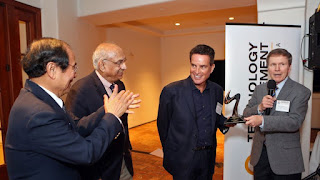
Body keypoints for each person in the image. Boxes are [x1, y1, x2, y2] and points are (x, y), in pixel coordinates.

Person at [5, 38, 139, 180]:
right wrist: (112, 116)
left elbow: (77, 125)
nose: (75, 74)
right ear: (52, 69)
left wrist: (107, 109)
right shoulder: (39, 113)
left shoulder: (40, 99)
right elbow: (86, 153)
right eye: (73, 67)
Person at [157, 44, 231, 180]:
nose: (197, 71)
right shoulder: (171, 91)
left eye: (203, 66)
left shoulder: (217, 91)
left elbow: (217, 116)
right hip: (182, 159)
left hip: (207, 159)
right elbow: (163, 126)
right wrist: (170, 152)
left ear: (212, 68)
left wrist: (228, 123)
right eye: (193, 65)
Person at [65, 43, 134, 180]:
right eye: (119, 62)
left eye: (124, 61)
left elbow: (122, 123)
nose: (124, 67)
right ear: (102, 65)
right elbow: (76, 129)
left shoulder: (119, 85)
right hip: (99, 166)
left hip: (120, 159)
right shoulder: (80, 90)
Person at [243, 48, 311, 180]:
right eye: (273, 64)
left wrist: (263, 121)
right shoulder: (260, 89)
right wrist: (260, 107)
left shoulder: (301, 92)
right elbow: (246, 113)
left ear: (289, 67)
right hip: (260, 158)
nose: (277, 69)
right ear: (268, 67)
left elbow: (294, 122)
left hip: (286, 161)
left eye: (282, 64)